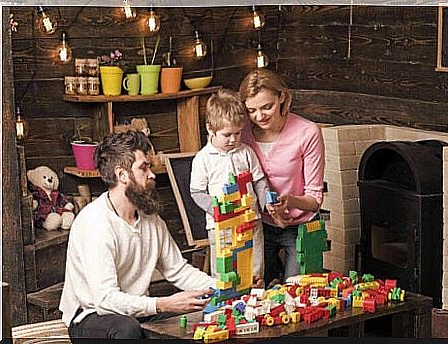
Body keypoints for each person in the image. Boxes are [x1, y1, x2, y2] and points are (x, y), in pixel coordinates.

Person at [59, 131, 216, 340]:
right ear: (121, 175)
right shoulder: (94, 223)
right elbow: (105, 300)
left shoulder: (150, 218)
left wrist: (222, 288)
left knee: (199, 314)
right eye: (144, 167)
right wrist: (161, 304)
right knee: (127, 330)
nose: (152, 174)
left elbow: (178, 270)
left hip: (134, 311)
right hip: (91, 315)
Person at [239, 68, 325, 288]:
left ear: (281, 97)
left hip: (299, 227)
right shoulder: (242, 134)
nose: (259, 117)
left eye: (267, 107)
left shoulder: (307, 132)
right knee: (255, 291)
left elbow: (314, 199)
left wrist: (290, 201)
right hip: (259, 226)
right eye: (252, 110)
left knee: (296, 292)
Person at [190, 88, 268, 286]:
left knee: (254, 265)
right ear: (210, 129)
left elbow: (258, 180)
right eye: (227, 135)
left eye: (238, 133)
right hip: (221, 226)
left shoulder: (246, 152)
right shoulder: (203, 159)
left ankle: (255, 298)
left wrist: (267, 203)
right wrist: (217, 208)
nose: (233, 140)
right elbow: (197, 192)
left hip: (250, 220)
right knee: (225, 269)